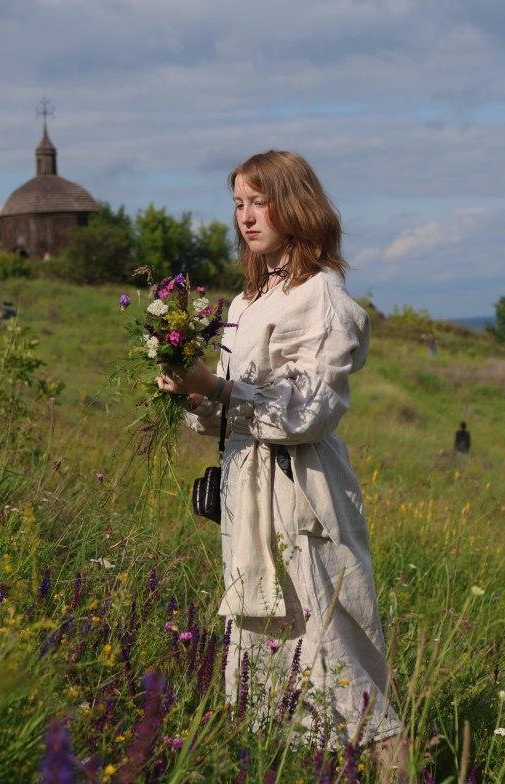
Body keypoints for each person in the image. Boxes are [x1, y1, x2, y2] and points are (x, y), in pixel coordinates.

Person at [158, 150, 405, 777]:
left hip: (300, 491)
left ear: (294, 205)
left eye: (258, 202)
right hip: (248, 491)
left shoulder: (320, 297)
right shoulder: (247, 301)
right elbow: (228, 412)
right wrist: (190, 391)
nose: (245, 216)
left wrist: (217, 389)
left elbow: (311, 411)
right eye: (238, 203)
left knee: (337, 655)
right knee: (271, 663)